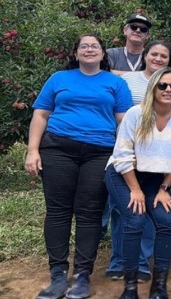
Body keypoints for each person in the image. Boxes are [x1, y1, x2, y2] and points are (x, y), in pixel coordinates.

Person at [27, 34, 132, 299]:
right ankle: (58, 275)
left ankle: (82, 275)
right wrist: (32, 150)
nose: (88, 49)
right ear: (75, 53)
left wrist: (120, 157)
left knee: (90, 213)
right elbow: (40, 114)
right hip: (58, 149)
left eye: (94, 46)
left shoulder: (115, 83)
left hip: (99, 153)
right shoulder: (59, 79)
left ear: (102, 53)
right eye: (83, 46)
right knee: (58, 212)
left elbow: (123, 123)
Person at [105, 68, 171, 299]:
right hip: (123, 175)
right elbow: (122, 155)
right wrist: (135, 189)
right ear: (153, 87)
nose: (168, 90)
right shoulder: (136, 113)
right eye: (163, 85)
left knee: (167, 221)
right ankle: (130, 287)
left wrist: (164, 188)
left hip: (155, 180)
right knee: (135, 218)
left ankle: (159, 286)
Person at [107, 40, 171, 282]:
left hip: (154, 160)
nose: (158, 58)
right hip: (126, 153)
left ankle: (141, 263)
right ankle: (119, 261)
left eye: (163, 56)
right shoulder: (127, 80)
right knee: (122, 211)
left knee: (144, 212)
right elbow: (121, 113)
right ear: (145, 56)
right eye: (154, 54)